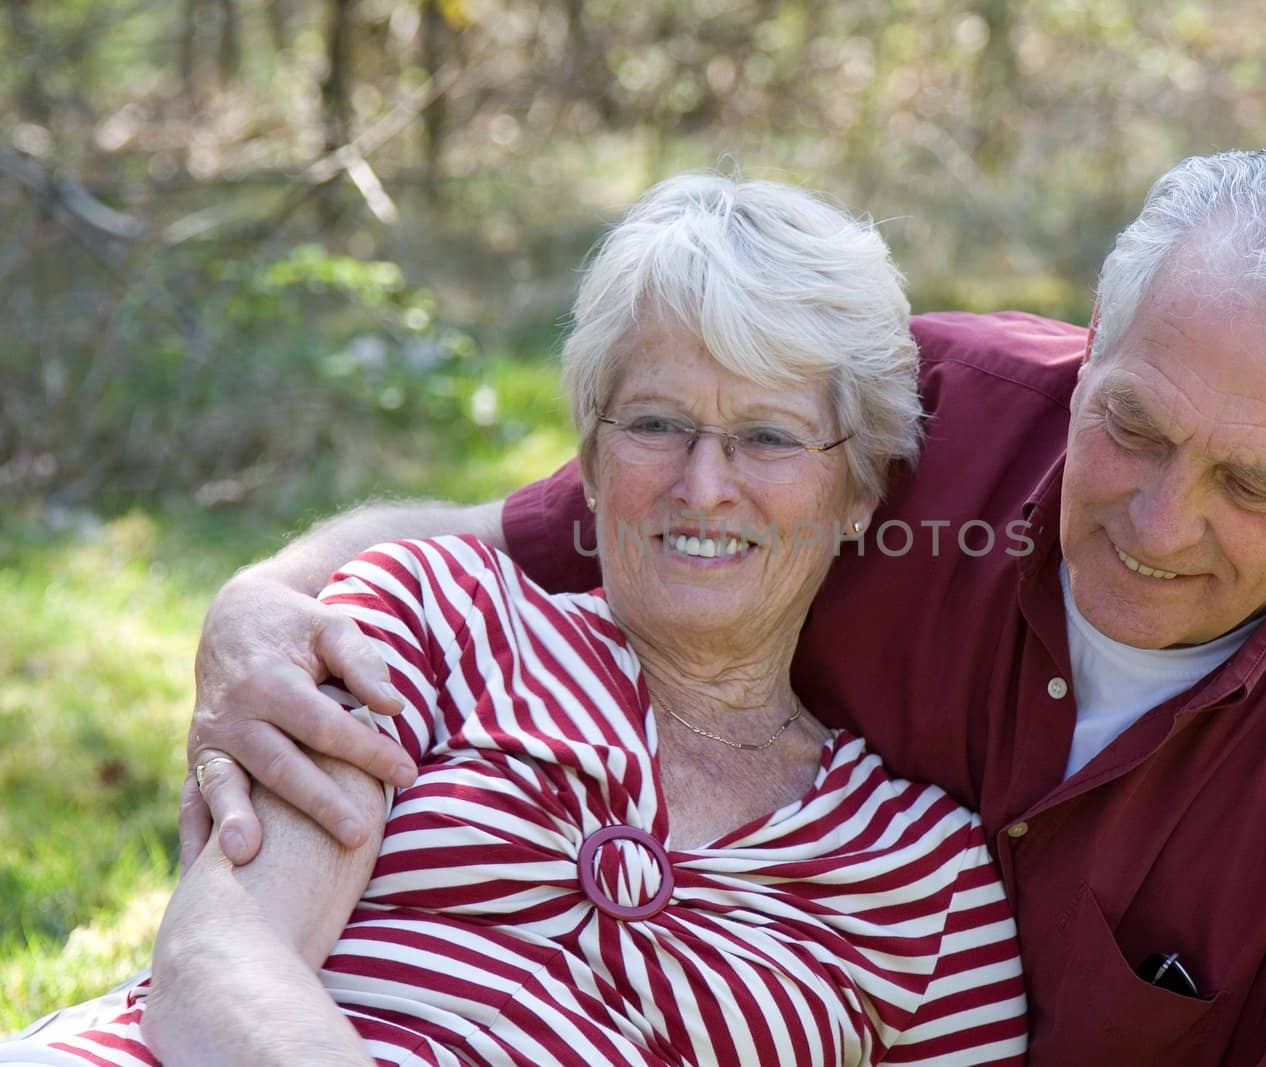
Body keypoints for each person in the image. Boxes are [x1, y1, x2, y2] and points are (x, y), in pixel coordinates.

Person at [175, 148, 1266, 1063]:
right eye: (1131, 426)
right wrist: (260, 595)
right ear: (1093, 349)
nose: (1156, 523)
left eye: (1251, 481)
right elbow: (512, 535)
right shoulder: (901, 421)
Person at [0, 175, 1028, 1065]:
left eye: (765, 436)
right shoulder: (439, 615)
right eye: (658, 424)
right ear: (589, 456)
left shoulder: (928, 877)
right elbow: (220, 960)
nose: (704, 484)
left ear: (858, 491)